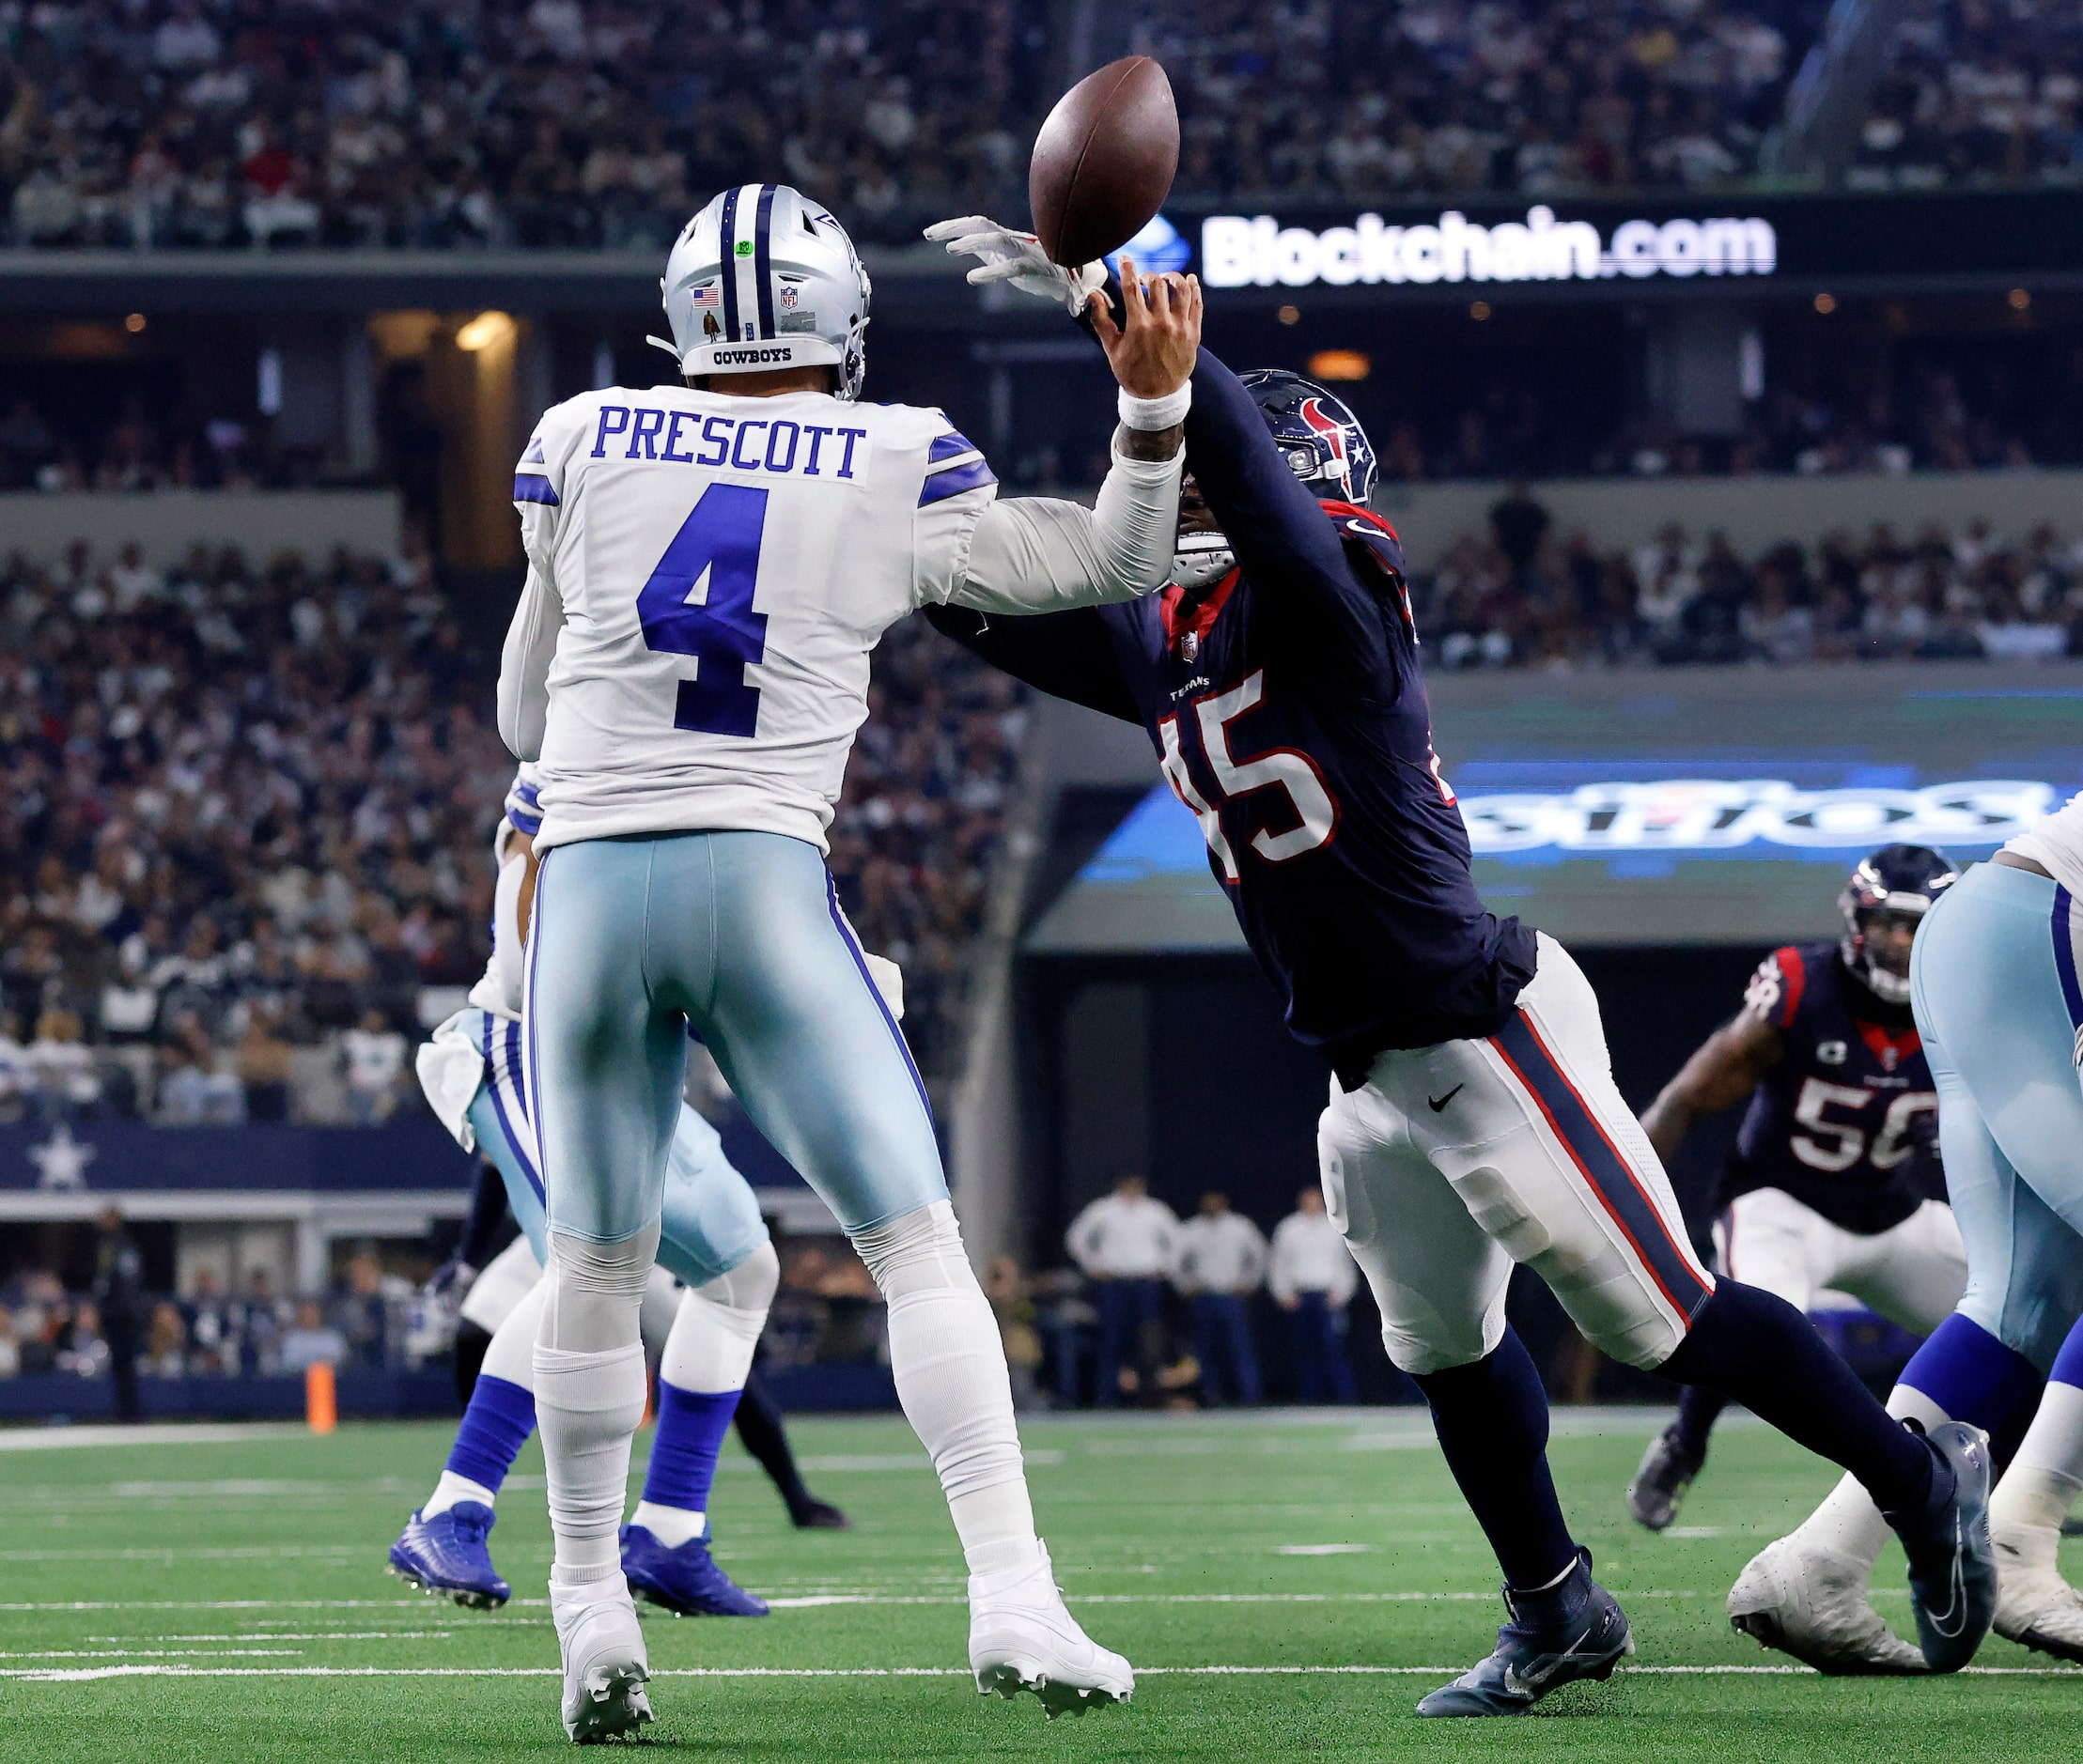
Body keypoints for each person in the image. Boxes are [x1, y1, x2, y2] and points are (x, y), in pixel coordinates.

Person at [921, 212, 1997, 1715]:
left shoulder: (1336, 599)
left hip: (1486, 1026)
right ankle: (1556, 1603)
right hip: (1370, 1068)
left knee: (1656, 1314)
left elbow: (1264, 510)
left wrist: (1126, 311)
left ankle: (1913, 1472)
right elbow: (996, 611)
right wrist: (869, 526)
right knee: (1443, 1343)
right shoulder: (1174, 632)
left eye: (1228, 476)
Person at [499, 186, 1189, 1737]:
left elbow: (522, 721)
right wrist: (1145, 406)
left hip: (591, 887)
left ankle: (589, 1609)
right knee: (916, 1247)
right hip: (762, 880)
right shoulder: (898, 451)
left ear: (681, 320)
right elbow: (1113, 564)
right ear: (842, 322)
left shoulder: (582, 430)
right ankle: (1010, 1592)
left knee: (595, 1268)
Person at [396, 766, 791, 1617]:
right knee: (586, 1269)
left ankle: (670, 1531)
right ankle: (451, 1508)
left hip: (637, 1062)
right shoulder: (588, 746)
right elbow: (530, 896)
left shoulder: (722, 761)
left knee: (743, 1270)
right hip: (538, 1039)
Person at [1730, 808, 2083, 1671]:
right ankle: (2022, 1534)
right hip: (2037, 932)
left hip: (1989, 932)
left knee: (2019, 1303)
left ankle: (1818, 1564)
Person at [1626, 845, 1966, 1534]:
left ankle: (2027, 1479)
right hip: (1780, 1202)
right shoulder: (1803, 985)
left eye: (1916, 926)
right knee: (1754, 1335)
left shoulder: (1965, 1002)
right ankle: (1683, 1444)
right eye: (1886, 924)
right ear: (1856, 923)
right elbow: (1686, 1097)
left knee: (2026, 1315)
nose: (1899, 943)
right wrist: (1619, 1207)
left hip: (1891, 1213)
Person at [1065, 1174, 1181, 1405]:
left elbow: (1178, 1240)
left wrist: (1165, 1268)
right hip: (1113, 1283)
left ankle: (1148, 1397)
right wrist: (1094, 1266)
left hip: (1145, 1282)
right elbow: (1076, 1239)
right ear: (1119, 1185)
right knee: (1111, 1340)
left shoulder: (1155, 1211)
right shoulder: (1103, 1210)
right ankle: (1106, 1397)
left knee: (1148, 1341)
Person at [1174, 1190, 1267, 1406]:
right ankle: (1210, 1396)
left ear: (1224, 1201)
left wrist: (1249, 1283)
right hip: (1203, 1297)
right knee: (1206, 1350)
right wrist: (1186, 1287)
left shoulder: (1240, 1227)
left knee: (1240, 1348)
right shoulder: (1191, 1229)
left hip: (1232, 1297)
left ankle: (1250, 1396)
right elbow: (1175, 1262)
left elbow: (1260, 1256)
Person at [1268, 1186, 1358, 1404]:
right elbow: (1278, 1263)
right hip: (1301, 1297)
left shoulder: (1334, 1227)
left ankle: (1344, 1397)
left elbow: (1345, 1264)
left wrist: (1343, 1294)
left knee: (1333, 1348)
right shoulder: (1289, 1228)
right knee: (1305, 1350)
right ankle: (1310, 1397)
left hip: (1328, 1297)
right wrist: (1283, 1293)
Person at [93, 1206, 146, 1423]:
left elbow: (120, 1280)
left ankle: (129, 1411)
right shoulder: (113, 1245)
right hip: (119, 1311)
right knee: (120, 1363)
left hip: (122, 1312)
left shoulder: (119, 1245)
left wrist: (113, 1307)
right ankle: (125, 1410)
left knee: (126, 1362)